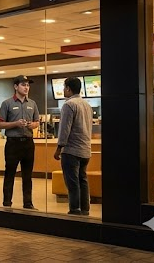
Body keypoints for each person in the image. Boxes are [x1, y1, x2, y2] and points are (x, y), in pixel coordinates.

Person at [0, 74, 40, 210]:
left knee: (28, 175)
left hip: (28, 142)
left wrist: (32, 125)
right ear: (16, 87)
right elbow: (0, 124)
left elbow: (37, 122)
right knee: (10, 173)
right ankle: (7, 202)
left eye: (28, 85)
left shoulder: (32, 103)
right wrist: (16, 123)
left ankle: (28, 203)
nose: (26, 87)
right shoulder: (7, 103)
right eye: (23, 85)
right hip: (13, 143)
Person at [53, 77, 92, 216]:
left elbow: (64, 129)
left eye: (64, 87)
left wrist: (59, 148)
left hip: (71, 150)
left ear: (68, 88)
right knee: (83, 179)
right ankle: (85, 209)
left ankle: (75, 209)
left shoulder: (69, 105)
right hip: (86, 150)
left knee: (72, 182)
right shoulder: (87, 105)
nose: (63, 90)